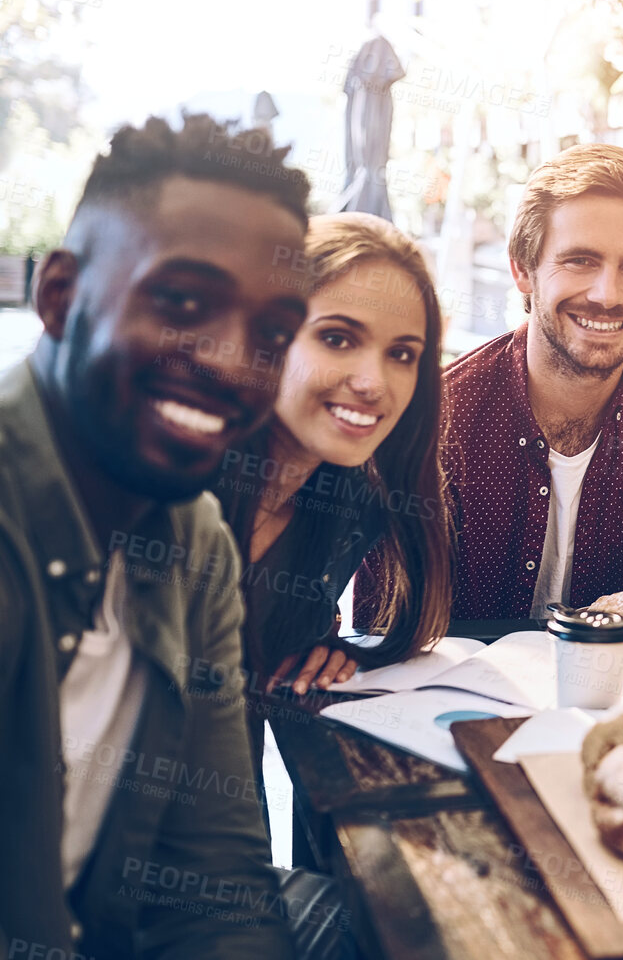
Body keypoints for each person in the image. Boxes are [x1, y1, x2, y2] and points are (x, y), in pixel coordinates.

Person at [0, 114, 323, 957]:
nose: (231, 360)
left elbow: (215, 882)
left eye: (274, 334)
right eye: (183, 303)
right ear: (60, 296)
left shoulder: (194, 541)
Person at [365, 143, 623, 622]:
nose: (607, 295)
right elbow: (383, 629)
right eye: (580, 260)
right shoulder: (434, 419)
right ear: (523, 269)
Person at [211, 213, 453, 816]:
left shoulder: (350, 504)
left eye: (403, 353)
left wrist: (325, 643)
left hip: (230, 844)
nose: (373, 382)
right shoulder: (169, 489)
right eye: (338, 338)